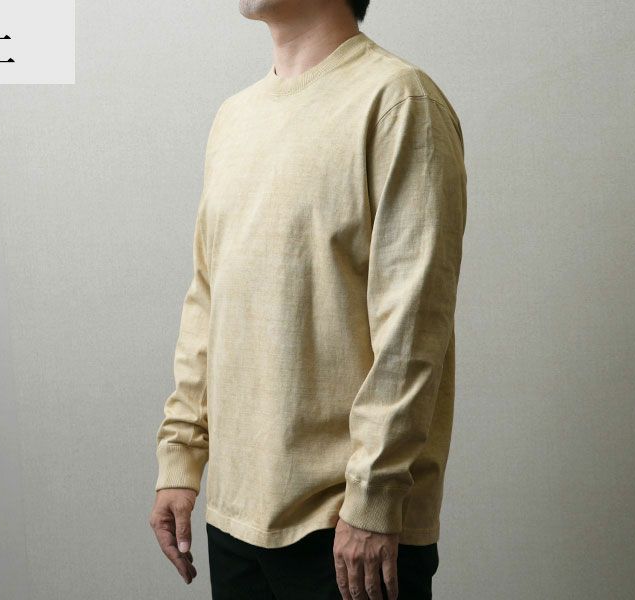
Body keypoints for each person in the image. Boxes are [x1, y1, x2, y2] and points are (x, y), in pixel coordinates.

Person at [149, 1, 467, 598]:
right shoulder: (234, 117)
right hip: (235, 514)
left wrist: (372, 498)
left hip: (348, 526)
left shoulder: (398, 101)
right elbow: (207, 301)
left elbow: (413, 324)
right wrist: (181, 460)